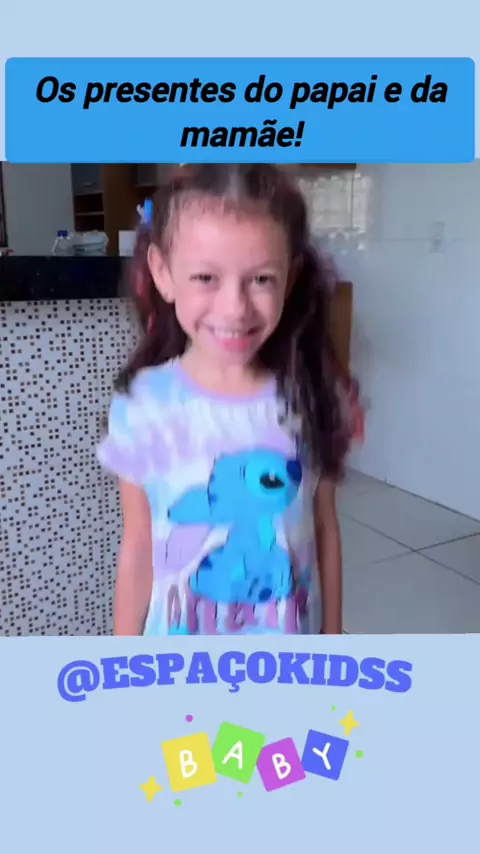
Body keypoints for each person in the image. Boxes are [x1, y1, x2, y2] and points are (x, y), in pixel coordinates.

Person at [97, 163, 362, 637]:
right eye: (205, 277)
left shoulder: (314, 397)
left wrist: (335, 640)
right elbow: (137, 546)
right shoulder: (141, 406)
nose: (235, 308)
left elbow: (324, 527)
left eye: (261, 279)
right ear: (163, 272)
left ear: (290, 277)